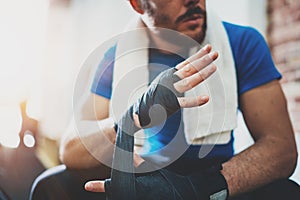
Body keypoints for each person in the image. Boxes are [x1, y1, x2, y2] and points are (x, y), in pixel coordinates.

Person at [30, 0, 300, 199]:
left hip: (212, 180)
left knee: (287, 193)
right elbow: (71, 150)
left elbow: (282, 149)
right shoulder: (114, 57)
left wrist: (201, 189)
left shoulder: (242, 43)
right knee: (49, 188)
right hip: (140, 182)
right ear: (138, 4)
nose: (193, 1)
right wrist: (132, 117)